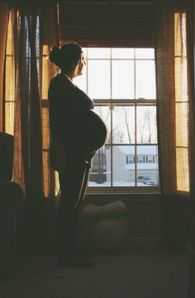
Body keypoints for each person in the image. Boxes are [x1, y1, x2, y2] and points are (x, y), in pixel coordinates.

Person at [48, 42, 107, 268]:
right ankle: (65, 254)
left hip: (81, 153)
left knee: (76, 202)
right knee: (69, 203)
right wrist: (60, 151)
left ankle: (70, 247)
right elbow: (58, 123)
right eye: (82, 59)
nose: (84, 63)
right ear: (73, 61)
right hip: (70, 154)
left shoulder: (68, 83)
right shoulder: (59, 84)